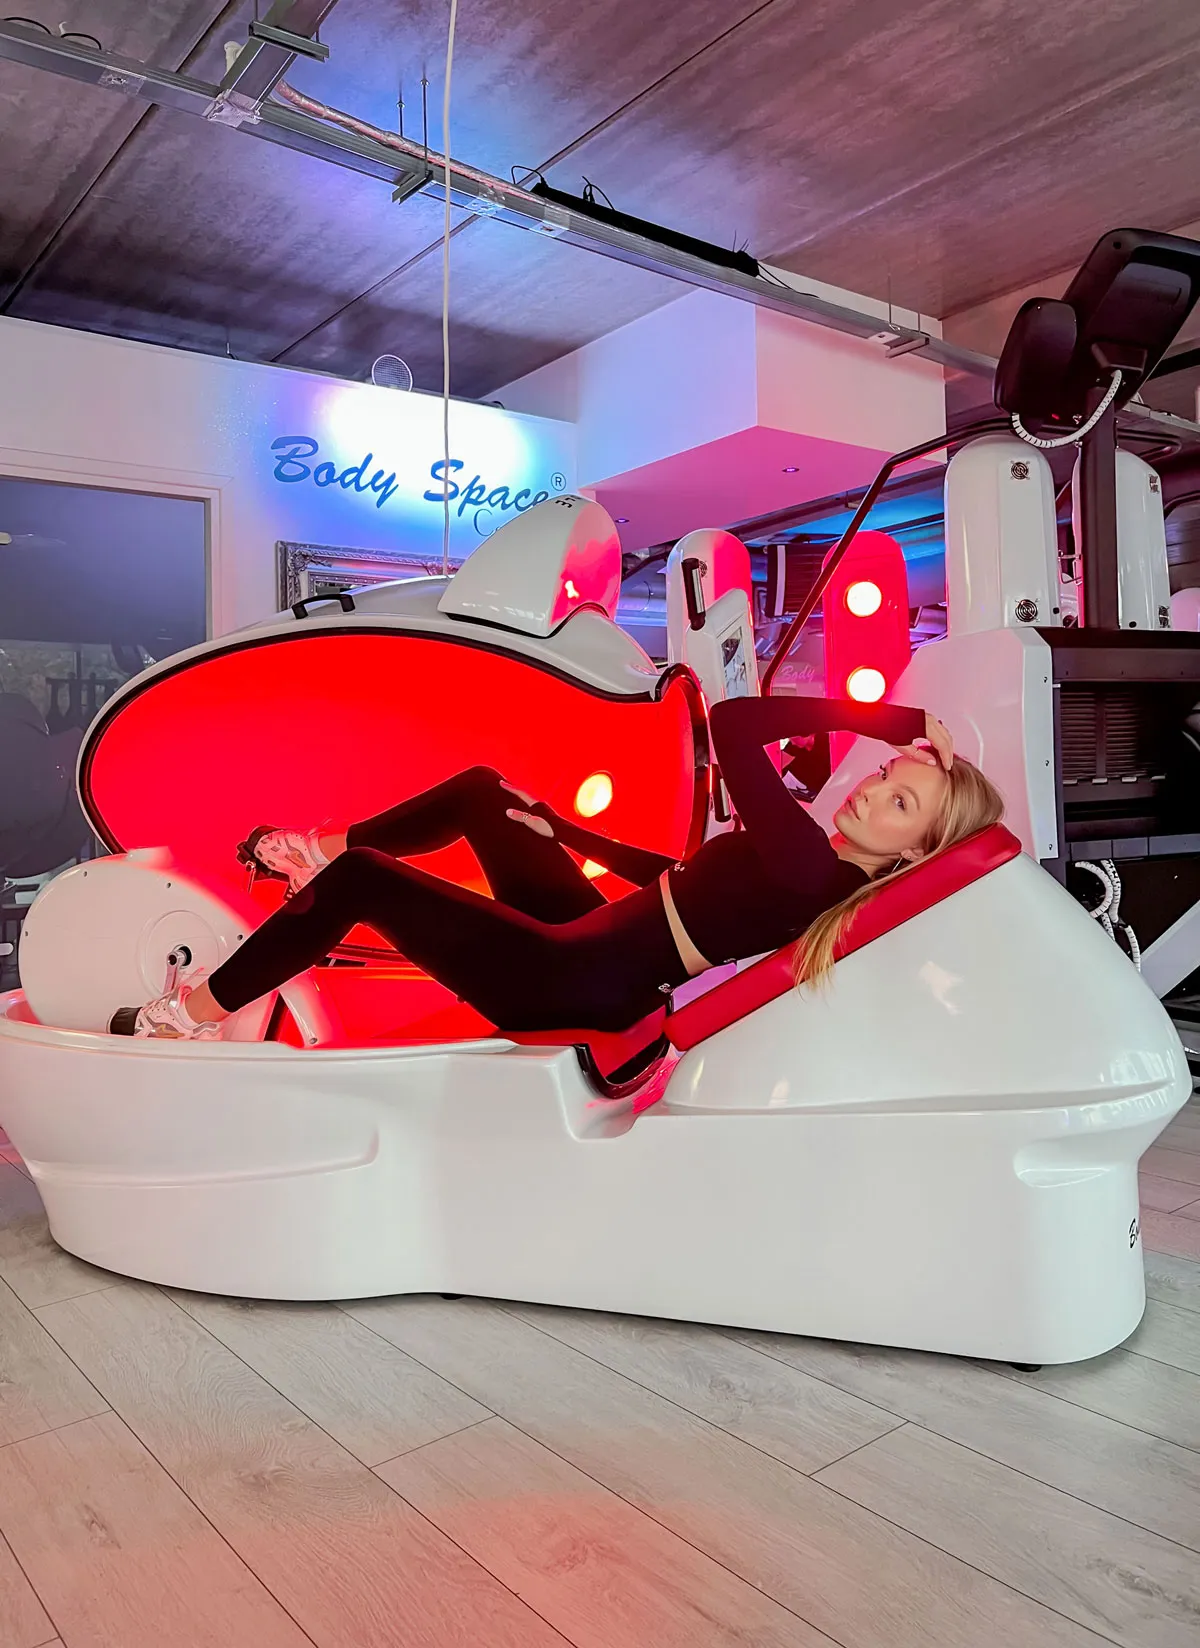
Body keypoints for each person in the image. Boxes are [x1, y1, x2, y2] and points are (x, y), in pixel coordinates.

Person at [109, 696, 1004, 1040]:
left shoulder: (819, 869)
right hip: (595, 941)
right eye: (888, 776)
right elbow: (682, 877)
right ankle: (326, 846)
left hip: (575, 980)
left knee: (370, 886)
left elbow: (731, 722)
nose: (873, 793)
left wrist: (895, 721)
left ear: (917, 850)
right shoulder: (814, 856)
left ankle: (179, 1017)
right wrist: (564, 832)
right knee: (485, 793)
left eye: (900, 802)